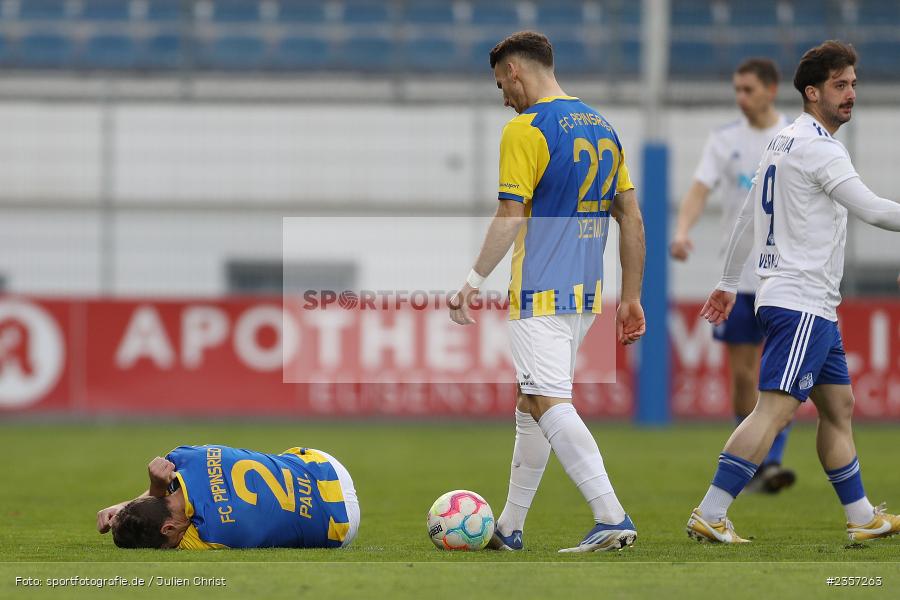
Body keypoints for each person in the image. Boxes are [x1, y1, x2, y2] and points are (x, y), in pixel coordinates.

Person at [686, 40, 900, 543]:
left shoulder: (781, 141)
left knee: (839, 405)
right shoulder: (820, 149)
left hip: (808, 303)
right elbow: (870, 208)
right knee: (775, 409)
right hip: (800, 301)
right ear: (812, 92)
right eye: (839, 86)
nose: (850, 94)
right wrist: (727, 281)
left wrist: (726, 281)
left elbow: (744, 214)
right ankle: (711, 512)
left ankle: (861, 517)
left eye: (852, 85)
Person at [449, 31, 647, 553]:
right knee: (529, 402)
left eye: (500, 83)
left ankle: (610, 514)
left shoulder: (526, 129)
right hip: (585, 296)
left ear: (514, 70)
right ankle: (510, 527)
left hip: (538, 291)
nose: (503, 95)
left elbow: (511, 213)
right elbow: (629, 214)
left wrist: (471, 283)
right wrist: (632, 295)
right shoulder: (602, 126)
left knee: (547, 399)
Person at [671, 58, 796, 494]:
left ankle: (771, 461)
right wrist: (683, 230)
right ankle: (753, 461)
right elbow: (700, 188)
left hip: (785, 276)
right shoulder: (725, 140)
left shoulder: (794, 137)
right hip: (739, 279)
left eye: (748, 89)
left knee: (780, 374)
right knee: (744, 377)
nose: (741, 98)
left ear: (771, 89)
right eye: (736, 90)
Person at [97, 444, 360, 549]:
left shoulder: (209, 534)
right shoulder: (183, 456)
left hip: (341, 524)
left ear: (169, 529)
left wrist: (129, 507)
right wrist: (126, 505)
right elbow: (158, 502)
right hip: (325, 466)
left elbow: (160, 516)